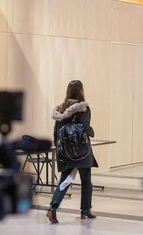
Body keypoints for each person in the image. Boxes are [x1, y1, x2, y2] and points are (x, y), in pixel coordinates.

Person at [46, 80, 98, 224]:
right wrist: (91, 132)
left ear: (68, 91)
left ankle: (52, 208)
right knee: (86, 180)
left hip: (65, 152)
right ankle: (85, 211)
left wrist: (59, 149)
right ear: (81, 91)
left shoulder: (60, 109)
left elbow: (56, 131)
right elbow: (85, 127)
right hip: (82, 152)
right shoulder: (84, 108)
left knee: (65, 181)